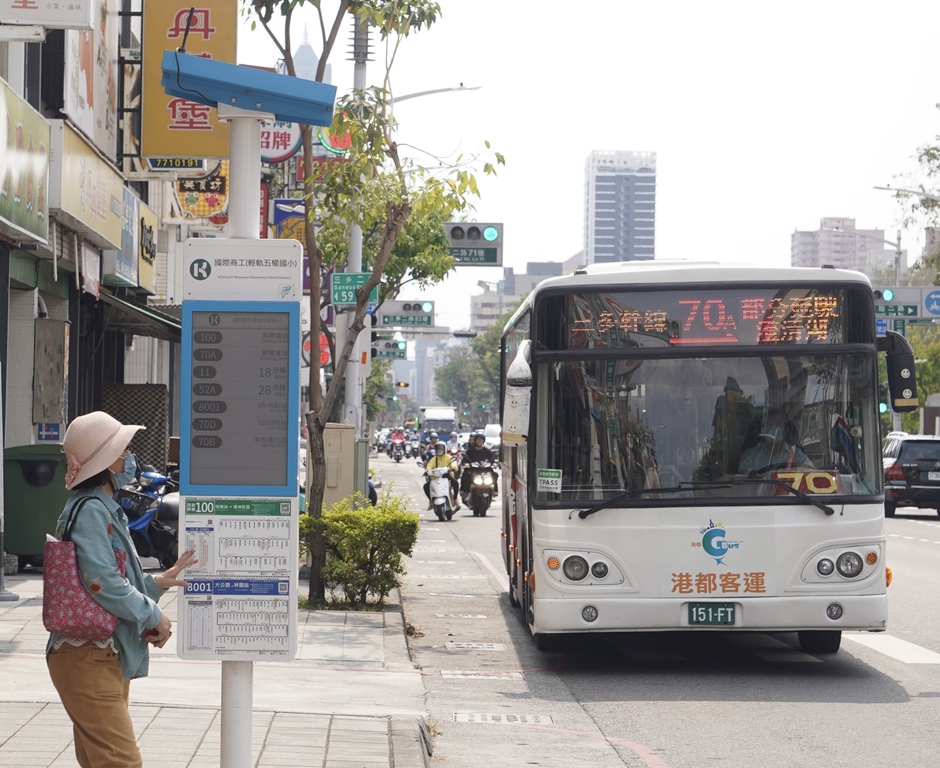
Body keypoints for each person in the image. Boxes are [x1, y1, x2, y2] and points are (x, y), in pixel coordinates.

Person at [46, 411, 197, 768]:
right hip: (87, 657)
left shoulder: (101, 508)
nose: (130, 455)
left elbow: (111, 579)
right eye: (123, 448)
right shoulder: (93, 511)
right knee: (121, 763)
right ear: (106, 461)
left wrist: (157, 583)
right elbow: (102, 582)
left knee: (102, 762)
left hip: (97, 654)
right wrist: (152, 613)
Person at [738, 408, 813, 474]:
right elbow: (744, 483)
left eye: (777, 425)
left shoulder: (797, 455)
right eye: (769, 425)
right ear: (763, 429)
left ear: (785, 431)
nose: (772, 429)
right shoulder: (750, 455)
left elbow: (813, 474)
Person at [423, 441, 460, 510]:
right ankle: (431, 501)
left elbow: (454, 463)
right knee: (425, 486)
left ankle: (454, 499)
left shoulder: (449, 457)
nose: (439, 450)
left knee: (455, 483)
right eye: (437, 449)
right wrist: (427, 471)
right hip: (435, 478)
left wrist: (453, 468)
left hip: (446, 477)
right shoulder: (434, 459)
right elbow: (429, 466)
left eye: (441, 448)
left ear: (444, 449)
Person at [461, 431, 498, 499]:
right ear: (475, 441)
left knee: (494, 474)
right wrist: (465, 464)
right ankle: (466, 491)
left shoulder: (487, 451)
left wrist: (494, 463)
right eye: (478, 439)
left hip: (485, 469)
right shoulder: (470, 451)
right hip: (473, 469)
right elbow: (465, 459)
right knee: (466, 474)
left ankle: (494, 491)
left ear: (483, 441)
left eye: (481, 439)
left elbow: (492, 459)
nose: (479, 441)